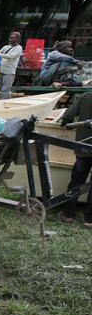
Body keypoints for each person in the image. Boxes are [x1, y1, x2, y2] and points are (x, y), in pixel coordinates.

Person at [59, 92, 92, 228]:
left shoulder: (86, 97)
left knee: (77, 180)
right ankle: (89, 220)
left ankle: (68, 215)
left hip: (84, 146)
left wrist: (65, 123)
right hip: (85, 146)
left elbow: (68, 115)